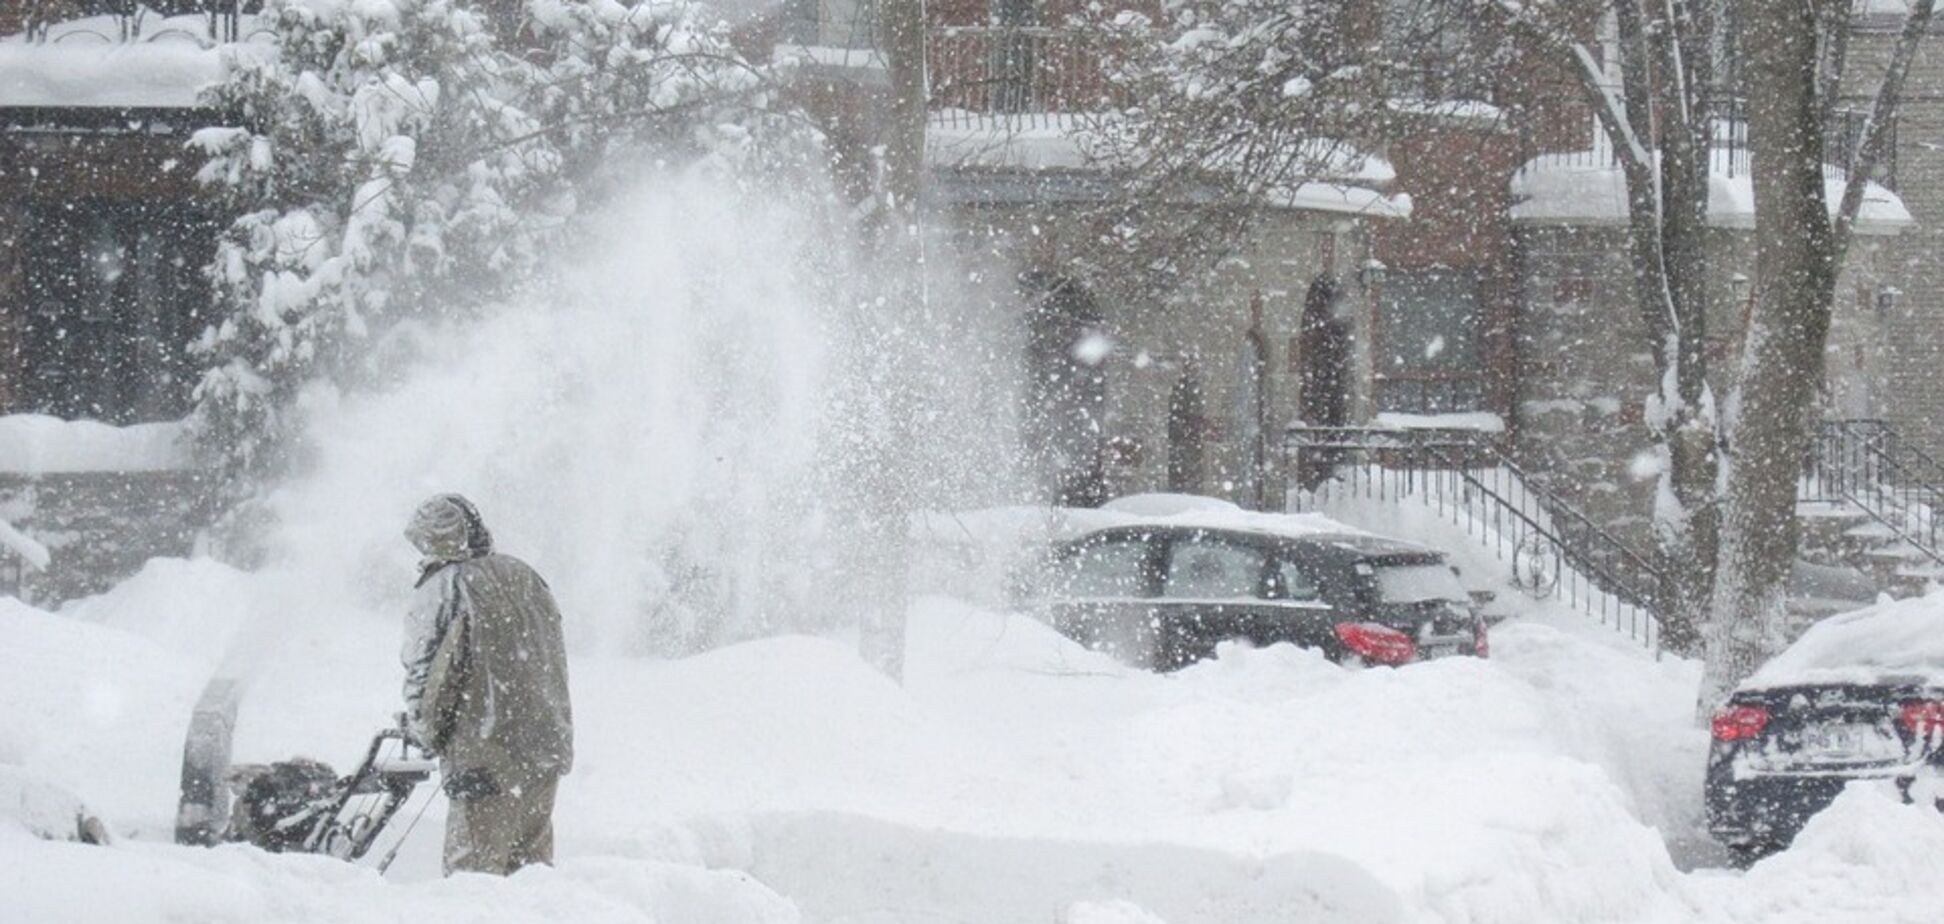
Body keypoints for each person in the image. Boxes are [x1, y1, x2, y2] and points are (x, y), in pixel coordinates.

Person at [400, 494, 573, 875]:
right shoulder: (525, 575)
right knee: (532, 875)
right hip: (545, 748)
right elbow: (552, 659)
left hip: (483, 755)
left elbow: (429, 675)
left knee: (474, 881)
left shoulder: (445, 587)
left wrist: (424, 729)